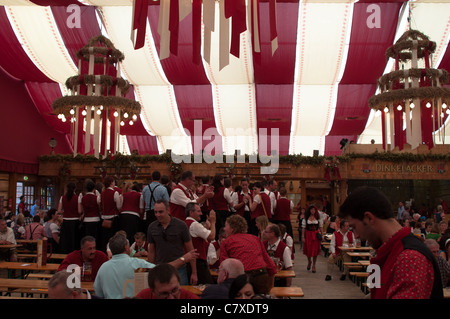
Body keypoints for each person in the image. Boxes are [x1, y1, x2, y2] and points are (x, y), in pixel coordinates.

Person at [338, 186, 443, 299]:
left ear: (369, 218)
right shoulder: (384, 253)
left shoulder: (410, 258)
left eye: (354, 227)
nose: (357, 236)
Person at [220, 214, 277, 294]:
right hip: (261, 275)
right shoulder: (255, 238)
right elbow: (270, 264)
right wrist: (269, 287)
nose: (224, 229)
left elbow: (224, 266)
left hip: (243, 278)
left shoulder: (226, 242)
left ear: (232, 229)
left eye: (226, 226)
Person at [147, 200, 198, 285]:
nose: (157, 215)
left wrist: (194, 273)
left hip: (179, 269)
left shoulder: (181, 225)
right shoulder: (152, 227)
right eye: (155, 212)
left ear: (168, 210)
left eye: (160, 212)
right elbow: (151, 252)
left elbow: (191, 251)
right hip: (160, 269)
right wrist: (149, 270)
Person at [94, 233, 157, 298]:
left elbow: (98, 291)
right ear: (126, 247)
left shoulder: (103, 267)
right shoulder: (137, 263)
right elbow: (159, 271)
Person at [184, 202, 216, 284]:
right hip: (198, 264)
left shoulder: (184, 224)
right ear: (191, 212)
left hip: (187, 262)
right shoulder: (194, 224)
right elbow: (211, 236)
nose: (201, 213)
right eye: (198, 211)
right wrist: (213, 222)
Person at [135, 263, 200, 299]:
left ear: (179, 284)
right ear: (153, 291)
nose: (171, 297)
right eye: (164, 293)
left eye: (174, 290)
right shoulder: (144, 296)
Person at [100, 176, 122, 252]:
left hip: (104, 218)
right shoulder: (114, 193)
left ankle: (105, 251)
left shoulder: (102, 193)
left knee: (105, 238)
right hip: (113, 218)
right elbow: (119, 207)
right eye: (113, 182)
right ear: (111, 183)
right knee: (113, 237)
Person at [58, 182, 81, 253]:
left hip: (65, 221)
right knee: (74, 240)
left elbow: (59, 210)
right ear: (75, 189)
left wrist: (65, 212)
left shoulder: (63, 197)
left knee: (66, 240)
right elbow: (79, 211)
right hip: (75, 221)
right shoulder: (77, 198)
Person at [79, 179, 101, 244]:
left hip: (86, 220)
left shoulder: (83, 198)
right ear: (94, 189)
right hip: (95, 219)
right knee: (95, 238)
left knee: (87, 239)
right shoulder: (96, 197)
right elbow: (99, 209)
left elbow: (81, 210)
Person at [302, 205, 323, 273]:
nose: (313, 211)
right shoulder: (306, 218)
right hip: (308, 235)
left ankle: (314, 265)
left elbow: (320, 227)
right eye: (311, 210)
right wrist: (303, 236)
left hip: (315, 235)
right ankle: (309, 261)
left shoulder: (318, 218)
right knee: (308, 249)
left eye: (314, 210)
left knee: (315, 250)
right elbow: (303, 228)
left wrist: (322, 235)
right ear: (309, 210)